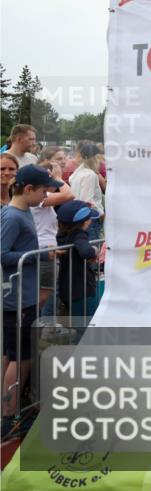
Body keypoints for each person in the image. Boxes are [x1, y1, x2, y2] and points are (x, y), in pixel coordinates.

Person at [1, 165, 63, 438]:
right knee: (20, 356)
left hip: (23, 295)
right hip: (15, 299)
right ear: (27, 190)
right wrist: (37, 254)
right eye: (42, 191)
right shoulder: (12, 217)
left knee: (16, 354)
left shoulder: (22, 212)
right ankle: (9, 416)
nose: (45, 197)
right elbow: (3, 253)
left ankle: (9, 408)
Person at [30, 160, 74, 311]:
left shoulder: (43, 196)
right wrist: (58, 177)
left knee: (46, 291)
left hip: (45, 250)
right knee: (45, 293)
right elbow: (69, 195)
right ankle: (36, 322)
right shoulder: (39, 197)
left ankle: (38, 321)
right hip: (44, 251)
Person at [51, 200, 103, 319]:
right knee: (87, 323)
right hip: (82, 290)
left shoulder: (61, 235)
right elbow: (86, 251)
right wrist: (94, 250)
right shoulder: (79, 234)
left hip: (67, 288)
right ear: (85, 222)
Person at [68, 142, 104, 242]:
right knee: (93, 246)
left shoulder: (77, 172)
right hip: (90, 218)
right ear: (95, 158)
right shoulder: (90, 175)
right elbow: (87, 201)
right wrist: (100, 213)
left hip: (78, 215)